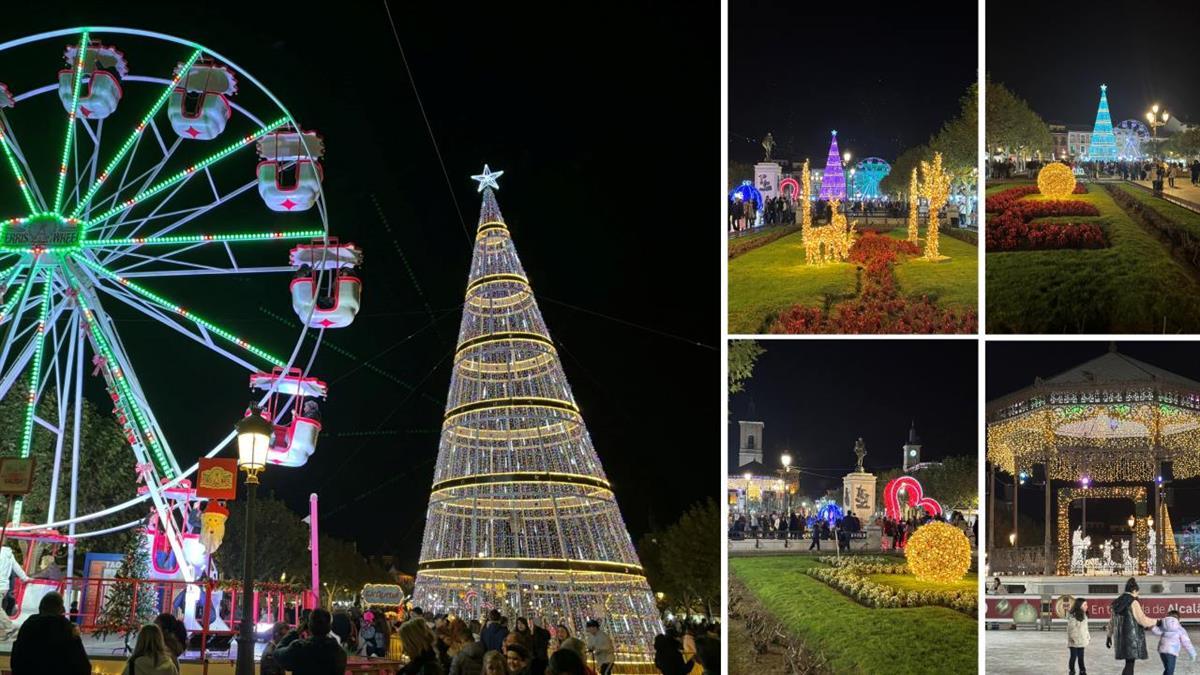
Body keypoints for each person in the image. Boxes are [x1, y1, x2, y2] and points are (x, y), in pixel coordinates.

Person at [10, 591, 91, 674]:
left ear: (40, 609)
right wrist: (76, 637)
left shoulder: (28, 626)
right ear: (61, 609)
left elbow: (16, 661)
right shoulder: (67, 628)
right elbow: (83, 667)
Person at [273, 608, 348, 675]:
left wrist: (295, 632)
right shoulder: (339, 652)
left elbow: (277, 653)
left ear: (309, 626)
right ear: (330, 627)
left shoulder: (299, 648)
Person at [1106, 578, 1158, 675]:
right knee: (1130, 664)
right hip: (1132, 639)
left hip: (1121, 638)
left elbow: (1112, 621)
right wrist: (1156, 622)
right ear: (1134, 590)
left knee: (1128, 663)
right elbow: (1142, 619)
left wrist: (1109, 635)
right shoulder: (1133, 602)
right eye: (1137, 592)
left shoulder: (1116, 602)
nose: (1138, 595)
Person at [0, 543, 30, 639]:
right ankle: (8, 629)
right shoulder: (8, 554)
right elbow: (16, 567)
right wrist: (25, 578)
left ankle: (10, 627)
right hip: (4, 585)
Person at [1151, 610, 1196, 675]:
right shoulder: (1180, 629)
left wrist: (1153, 627)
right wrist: (1192, 653)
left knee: (1168, 669)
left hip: (1162, 650)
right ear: (1178, 619)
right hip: (1172, 651)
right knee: (1170, 670)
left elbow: (1157, 631)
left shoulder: (1164, 626)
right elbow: (1186, 642)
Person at [1067, 597, 1090, 675]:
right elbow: (1071, 629)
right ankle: (1072, 671)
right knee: (1073, 657)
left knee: (1081, 657)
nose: (1087, 606)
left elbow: (1085, 629)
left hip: (1082, 640)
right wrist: (1074, 639)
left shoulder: (1084, 615)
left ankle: (1082, 670)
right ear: (1080, 605)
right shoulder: (1073, 616)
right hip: (1074, 641)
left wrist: (1088, 637)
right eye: (1085, 605)